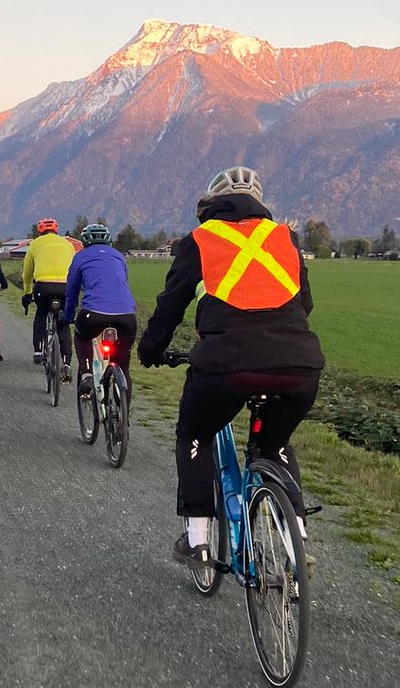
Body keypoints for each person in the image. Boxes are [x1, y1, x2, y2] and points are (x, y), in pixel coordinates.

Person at [137, 167, 325, 567]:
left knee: (195, 432)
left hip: (226, 366)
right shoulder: (284, 237)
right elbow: (303, 304)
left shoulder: (200, 240)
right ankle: (298, 540)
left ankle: (198, 540)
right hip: (299, 364)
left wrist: (151, 349)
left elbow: (171, 306)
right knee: (274, 444)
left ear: (209, 204)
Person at [61, 222, 138, 395]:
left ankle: (87, 374)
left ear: (84, 242)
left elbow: (71, 292)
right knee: (123, 365)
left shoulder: (80, 257)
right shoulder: (119, 256)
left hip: (93, 313)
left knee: (82, 337)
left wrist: (67, 317)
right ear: (108, 240)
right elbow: (123, 282)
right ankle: (122, 417)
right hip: (127, 315)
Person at [21, 218, 78, 380]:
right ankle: (66, 363)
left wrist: (27, 292)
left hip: (44, 287)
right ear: (56, 230)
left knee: (41, 313)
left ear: (39, 231)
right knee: (64, 323)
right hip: (65, 286)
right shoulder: (67, 244)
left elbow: (27, 272)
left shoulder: (35, 244)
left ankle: (38, 351)